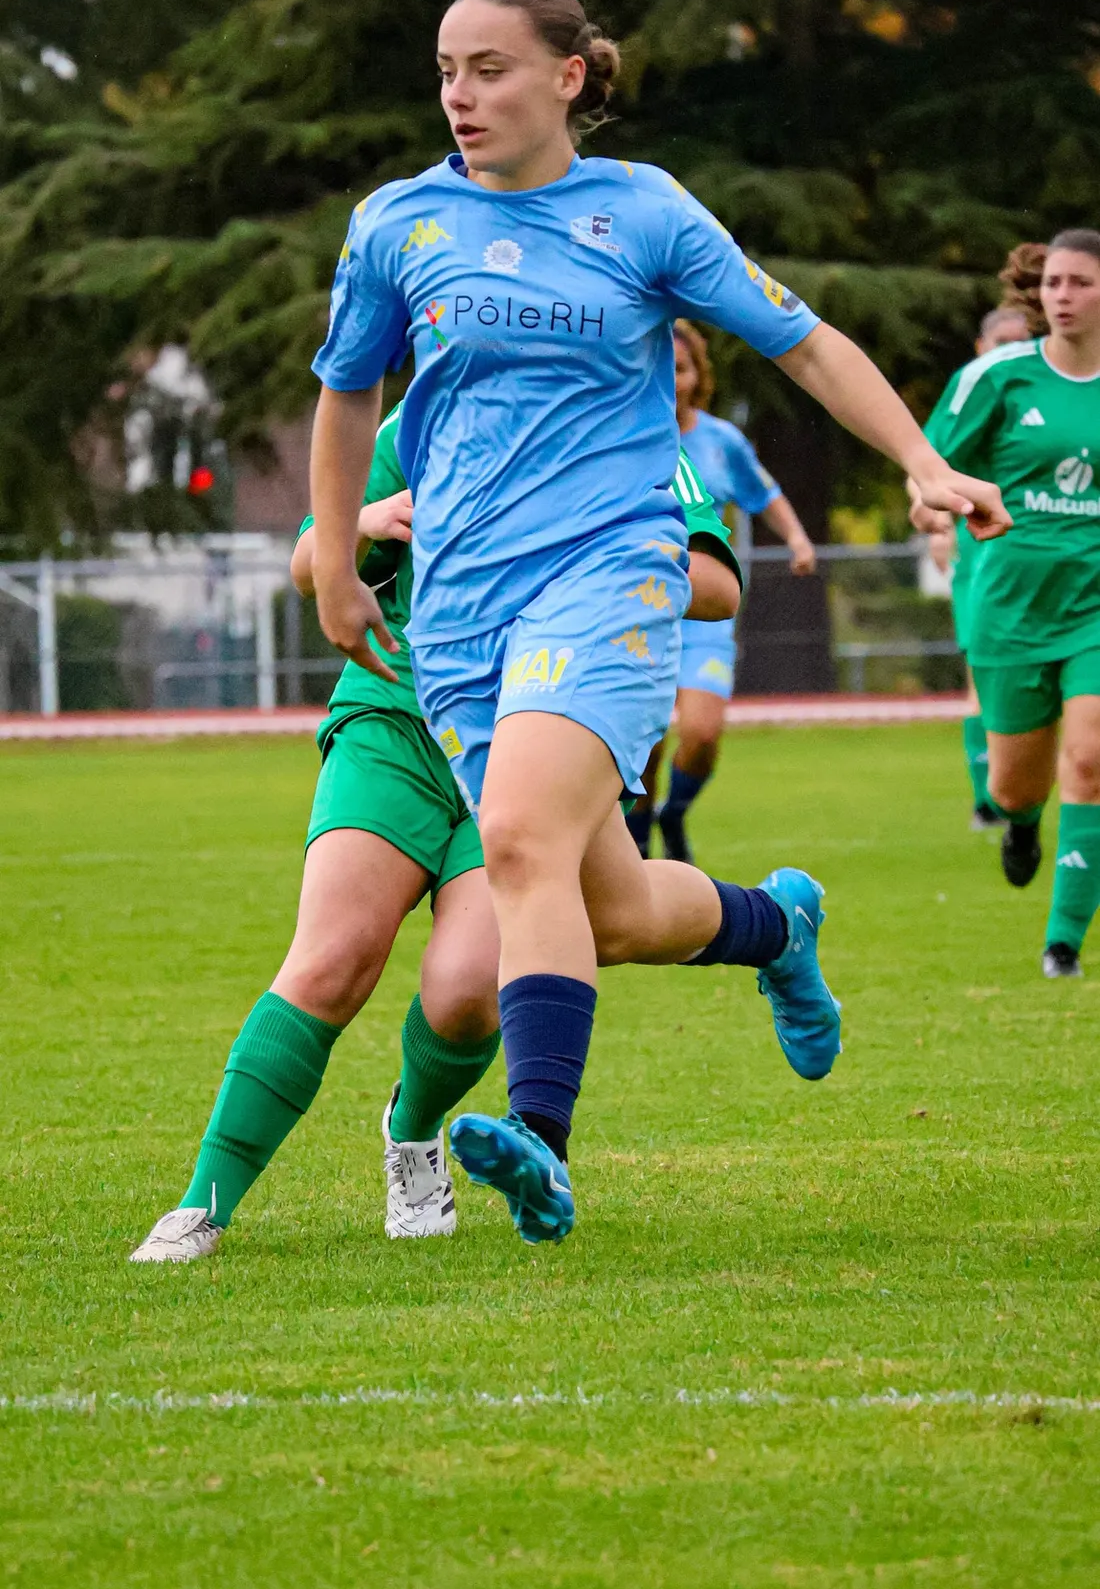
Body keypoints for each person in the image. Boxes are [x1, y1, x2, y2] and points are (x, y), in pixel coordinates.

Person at [308, 0, 1009, 1245]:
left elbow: (802, 342)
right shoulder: (396, 224)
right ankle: (771, 925)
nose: (460, 96)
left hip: (610, 579)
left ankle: (540, 1138)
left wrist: (920, 460)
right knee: (610, 908)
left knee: (516, 838)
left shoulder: (644, 212)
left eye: (491, 68)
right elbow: (348, 396)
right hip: (460, 611)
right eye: (446, 72)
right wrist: (337, 561)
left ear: (569, 77)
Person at [129, 409, 743, 1260]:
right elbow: (312, 563)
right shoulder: (415, 422)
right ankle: (203, 1203)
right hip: (396, 719)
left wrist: (584, 541)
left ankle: (411, 1127)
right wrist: (369, 523)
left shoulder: (622, 421)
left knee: (465, 991)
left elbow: (717, 584)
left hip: (530, 735)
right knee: (332, 957)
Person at [910, 230, 1100, 978]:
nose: (1062, 295)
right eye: (1053, 282)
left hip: (1094, 608)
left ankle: (1063, 941)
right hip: (1012, 609)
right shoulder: (995, 377)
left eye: (1080, 282)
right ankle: (1020, 825)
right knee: (1015, 784)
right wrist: (933, 509)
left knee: (1090, 756)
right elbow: (927, 466)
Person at [630, 318, 817, 862]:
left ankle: (676, 812)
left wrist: (799, 538)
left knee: (702, 734)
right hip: (640, 616)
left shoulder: (719, 442)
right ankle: (639, 834)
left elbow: (765, 493)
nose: (671, 378)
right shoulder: (626, 437)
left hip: (707, 619)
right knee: (646, 744)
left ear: (697, 375)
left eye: (681, 368)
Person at [922, 286, 1038, 830]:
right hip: (987, 558)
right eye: (1001, 343)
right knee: (983, 679)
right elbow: (928, 464)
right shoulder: (972, 398)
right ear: (979, 346)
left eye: (1023, 342)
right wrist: (936, 520)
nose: (1013, 351)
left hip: (1055, 560)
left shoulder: (1046, 394)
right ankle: (987, 802)